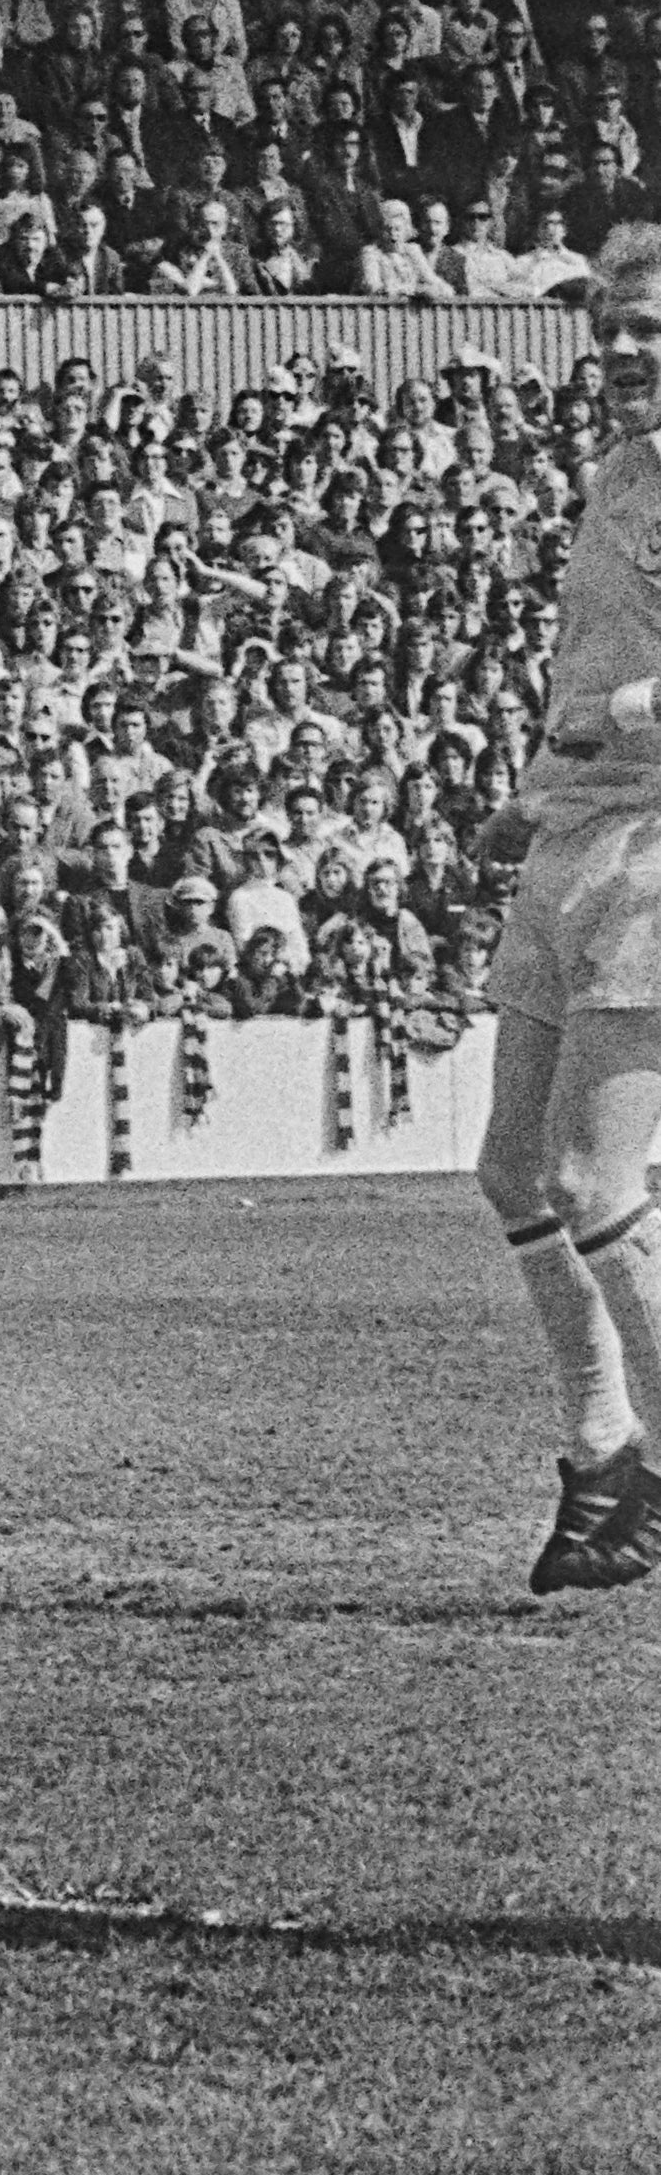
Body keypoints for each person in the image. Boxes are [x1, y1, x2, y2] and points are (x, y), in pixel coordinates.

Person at [471, 226, 661, 1596]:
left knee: (596, 1180)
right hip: (569, 832)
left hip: (654, 849)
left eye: (646, 328)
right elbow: (581, 674)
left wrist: (622, 716)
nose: (620, 351)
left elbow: (618, 696)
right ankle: (603, 1444)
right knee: (511, 1168)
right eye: (605, 330)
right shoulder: (617, 477)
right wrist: (530, 791)